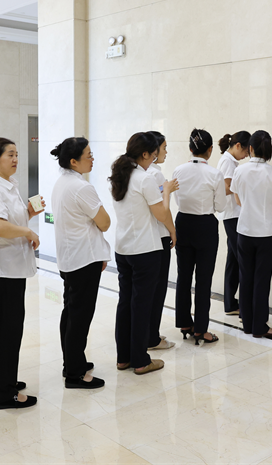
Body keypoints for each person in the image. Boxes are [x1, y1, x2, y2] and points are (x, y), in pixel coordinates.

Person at [0, 138, 41, 409]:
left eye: (16, 154)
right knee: (6, 332)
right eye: (10, 155)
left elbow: (7, 220)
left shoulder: (7, 185)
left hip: (10, 269)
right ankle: (6, 394)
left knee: (5, 331)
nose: (15, 159)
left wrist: (28, 214)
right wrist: (27, 230)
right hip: (1, 271)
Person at [110, 133, 178, 374]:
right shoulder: (144, 178)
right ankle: (140, 360)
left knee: (125, 303)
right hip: (144, 250)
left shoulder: (120, 175)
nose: (155, 158)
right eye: (154, 154)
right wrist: (166, 193)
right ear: (146, 153)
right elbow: (161, 213)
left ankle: (124, 358)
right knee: (141, 305)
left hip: (123, 248)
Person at [50, 137, 111, 389]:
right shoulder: (81, 187)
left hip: (70, 258)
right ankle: (75, 373)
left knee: (71, 313)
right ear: (74, 161)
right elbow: (104, 222)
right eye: (88, 155)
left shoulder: (61, 183)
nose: (92, 159)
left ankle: (72, 362)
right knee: (80, 317)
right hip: (84, 259)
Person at [230, 130, 272, 339]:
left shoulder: (240, 171)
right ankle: (260, 326)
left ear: (251, 148)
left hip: (244, 231)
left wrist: (251, 208)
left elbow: (237, 200)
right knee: (262, 280)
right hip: (267, 232)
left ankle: (247, 323)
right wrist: (265, 210)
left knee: (245, 277)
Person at [172, 128, 227, 345]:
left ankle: (185, 323)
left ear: (190, 148)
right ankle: (201, 329)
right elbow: (220, 206)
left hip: (183, 222)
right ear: (210, 150)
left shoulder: (178, 170)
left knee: (183, 276)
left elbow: (177, 200)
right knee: (203, 279)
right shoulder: (214, 174)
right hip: (205, 225)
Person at [145, 131, 177, 350]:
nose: (166, 152)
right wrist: (173, 231)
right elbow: (162, 211)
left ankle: (149, 333)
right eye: (164, 148)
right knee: (157, 290)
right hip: (159, 236)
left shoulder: (143, 173)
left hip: (148, 238)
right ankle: (152, 337)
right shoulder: (155, 175)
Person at [216, 131, 251, 316]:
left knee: (233, 261)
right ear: (238, 146)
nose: (246, 155)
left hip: (232, 214)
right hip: (232, 215)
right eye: (245, 151)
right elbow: (226, 187)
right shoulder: (227, 162)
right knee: (242, 259)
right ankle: (245, 307)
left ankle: (230, 303)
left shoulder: (230, 161)